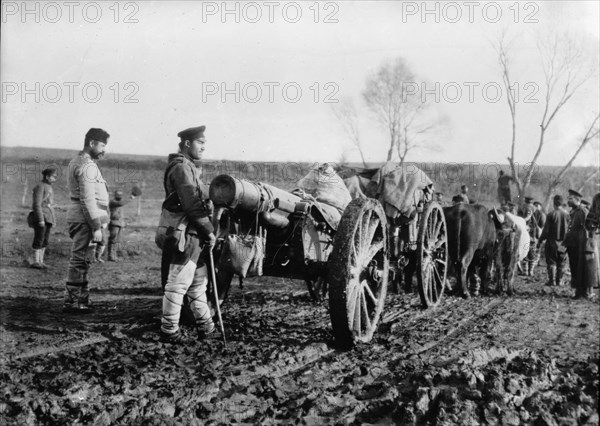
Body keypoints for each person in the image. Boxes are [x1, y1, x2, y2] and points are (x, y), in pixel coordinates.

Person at [160, 125, 217, 343]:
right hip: (187, 234)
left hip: (193, 234)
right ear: (187, 143)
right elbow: (192, 204)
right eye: (200, 143)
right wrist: (209, 231)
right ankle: (169, 331)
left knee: (197, 285)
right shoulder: (182, 168)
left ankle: (207, 326)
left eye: (204, 143)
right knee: (178, 283)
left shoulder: (188, 167)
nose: (203, 147)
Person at [63, 128, 110, 313]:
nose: (104, 150)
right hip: (86, 219)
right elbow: (88, 199)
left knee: (84, 259)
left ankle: (81, 300)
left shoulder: (79, 161)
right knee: (79, 259)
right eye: (102, 145)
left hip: (83, 217)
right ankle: (72, 302)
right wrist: (96, 226)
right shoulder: (87, 165)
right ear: (91, 143)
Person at [537, 195, 570, 287]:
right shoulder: (567, 215)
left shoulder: (551, 214)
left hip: (552, 243)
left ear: (554, 203)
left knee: (552, 262)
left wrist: (540, 240)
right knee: (562, 262)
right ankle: (559, 281)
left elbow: (546, 231)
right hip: (563, 244)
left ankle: (552, 281)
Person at [29, 166, 58, 269]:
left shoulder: (49, 187)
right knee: (39, 239)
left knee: (45, 240)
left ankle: (41, 261)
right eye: (53, 176)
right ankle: (35, 262)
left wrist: (53, 220)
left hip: (48, 218)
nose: (55, 178)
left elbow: (50, 206)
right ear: (47, 176)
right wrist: (40, 219)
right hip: (41, 218)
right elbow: (37, 204)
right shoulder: (40, 186)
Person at [563, 189, 588, 298]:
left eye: (570, 199)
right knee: (574, 268)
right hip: (572, 244)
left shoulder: (582, 211)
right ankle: (578, 291)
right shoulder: (573, 211)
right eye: (568, 199)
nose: (568, 201)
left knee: (580, 268)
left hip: (579, 244)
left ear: (577, 200)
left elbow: (585, 229)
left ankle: (582, 292)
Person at [105, 189, 136, 262]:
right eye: (118, 194)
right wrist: (130, 197)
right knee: (113, 240)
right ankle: (111, 256)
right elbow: (121, 203)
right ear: (115, 195)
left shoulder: (119, 203)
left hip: (119, 223)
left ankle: (114, 256)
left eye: (120, 195)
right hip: (114, 223)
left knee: (116, 240)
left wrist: (124, 223)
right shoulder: (113, 202)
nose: (119, 196)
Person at [582, 193, 600, 297]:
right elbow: (590, 224)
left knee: (593, 265)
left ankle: (591, 290)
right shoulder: (597, 198)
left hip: (595, 239)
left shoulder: (592, 213)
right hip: (596, 239)